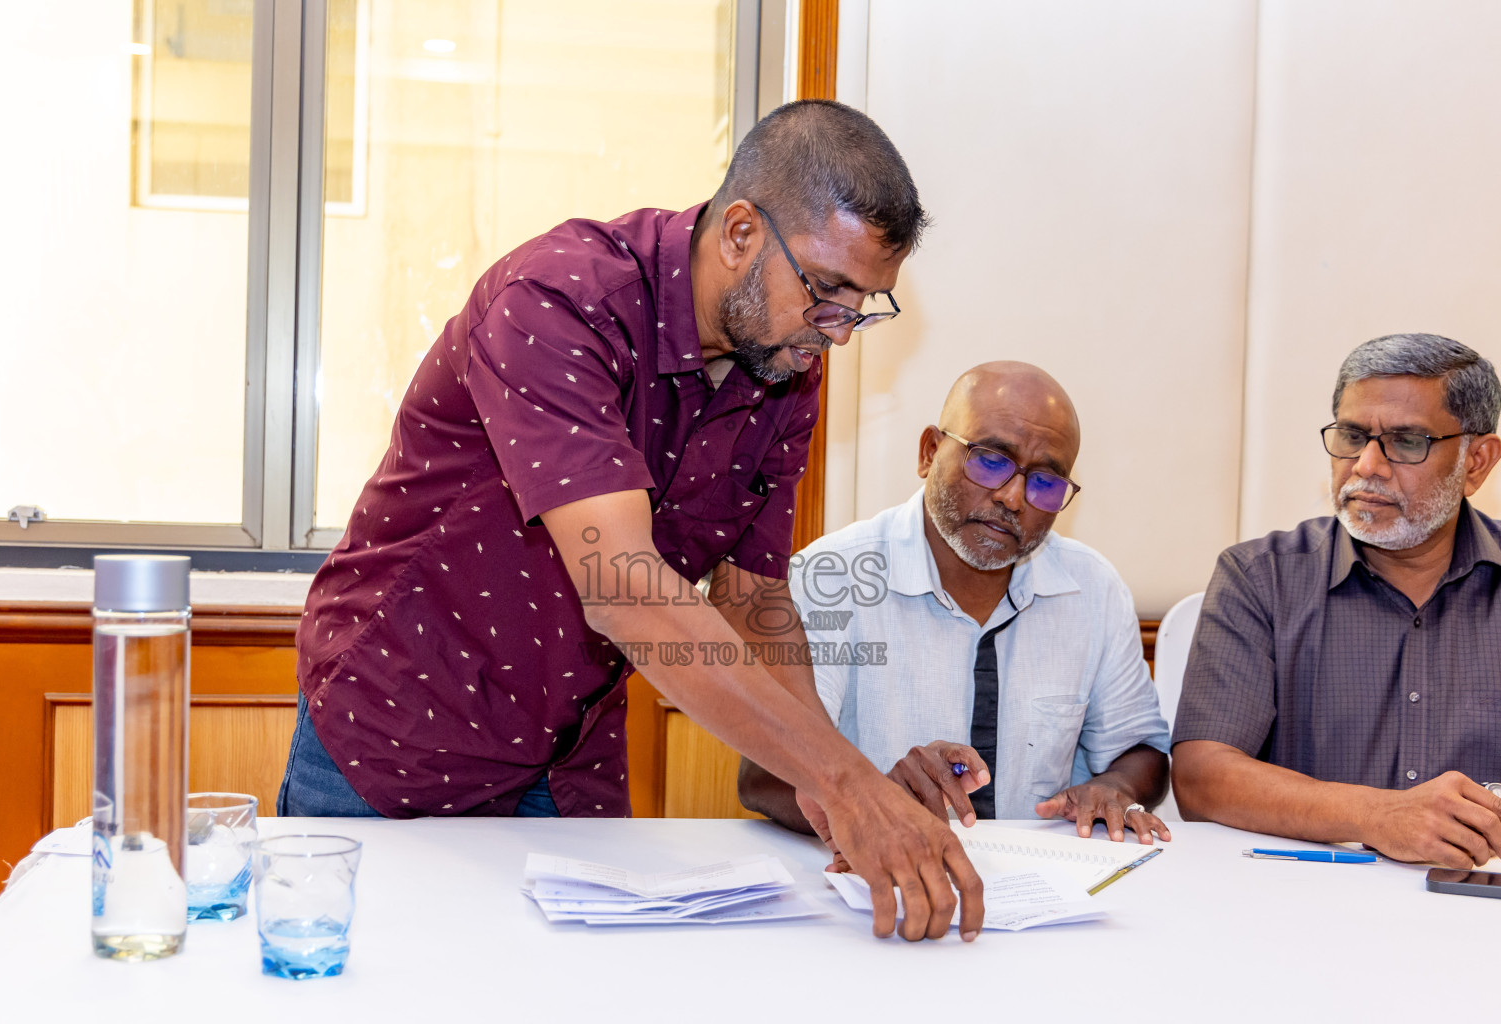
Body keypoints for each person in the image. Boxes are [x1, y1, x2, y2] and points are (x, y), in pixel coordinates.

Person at [281, 99, 986, 941]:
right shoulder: (559, 300)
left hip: (568, 753)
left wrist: (820, 775)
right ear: (738, 233)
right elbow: (626, 588)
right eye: (827, 292)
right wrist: (843, 782)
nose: (837, 332)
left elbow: (753, 599)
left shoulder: (786, 368)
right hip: (402, 730)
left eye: (863, 304)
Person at [740, 362, 1173, 845]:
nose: (1013, 497)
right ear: (929, 452)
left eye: (1045, 483)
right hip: (872, 882)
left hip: (1047, 884)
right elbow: (763, 775)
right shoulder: (832, 576)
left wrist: (1113, 787)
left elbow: (1141, 750)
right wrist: (872, 799)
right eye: (990, 460)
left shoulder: (1092, 587)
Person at [1172, 333, 1501, 868]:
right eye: (1352, 436)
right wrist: (1377, 815)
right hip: (1306, 908)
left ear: (1476, 462)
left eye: (1407, 441)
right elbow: (1201, 778)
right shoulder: (1262, 578)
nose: (1367, 465)